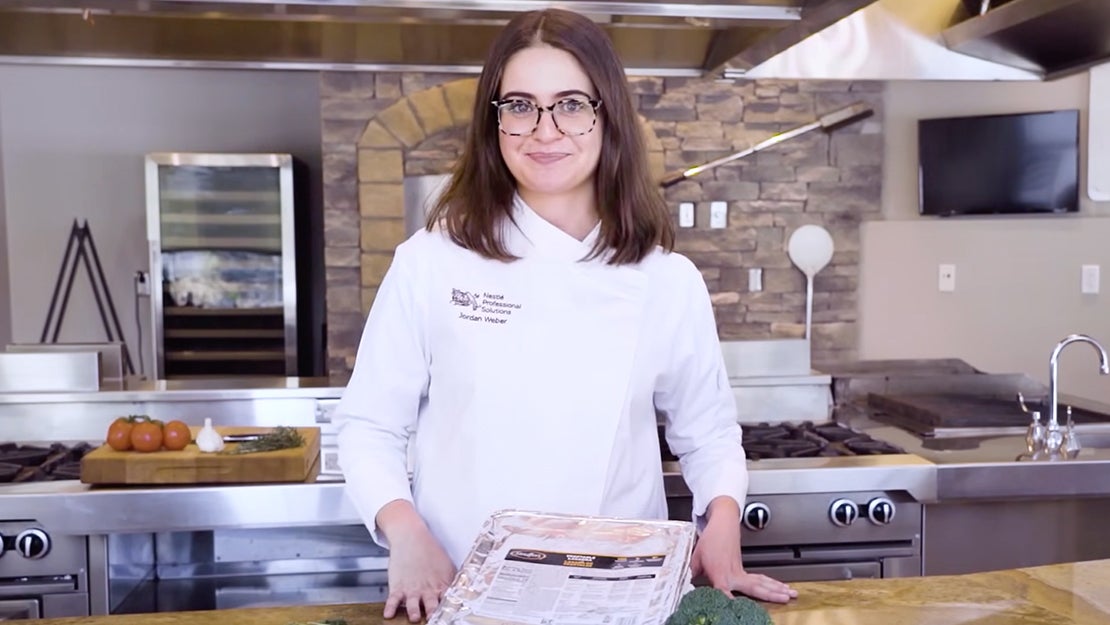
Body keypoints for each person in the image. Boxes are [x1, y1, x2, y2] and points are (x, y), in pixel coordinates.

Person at [333, 7, 797, 622]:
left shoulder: (665, 280)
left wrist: (720, 517)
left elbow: (708, 434)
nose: (544, 131)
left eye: (572, 104)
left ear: (608, 118)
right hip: (466, 598)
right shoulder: (431, 264)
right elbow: (368, 427)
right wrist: (407, 534)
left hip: (623, 603)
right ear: (493, 125)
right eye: (519, 105)